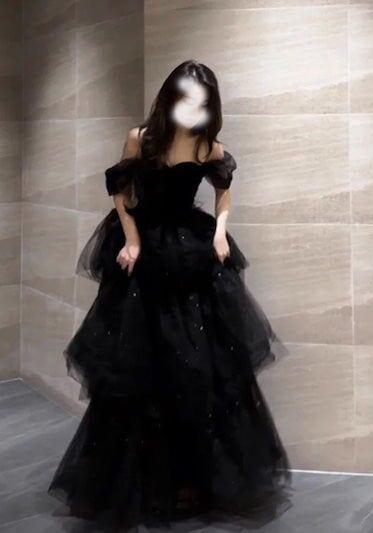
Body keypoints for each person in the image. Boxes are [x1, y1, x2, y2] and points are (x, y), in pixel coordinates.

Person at [47, 59, 293, 531]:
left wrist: (220, 232)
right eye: (185, 97)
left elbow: (224, 192)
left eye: (201, 100)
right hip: (147, 253)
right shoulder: (142, 138)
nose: (191, 106)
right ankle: (137, 481)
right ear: (170, 96)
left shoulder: (208, 145)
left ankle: (191, 480)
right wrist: (131, 239)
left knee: (197, 370)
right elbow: (120, 190)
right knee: (137, 370)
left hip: (192, 253)